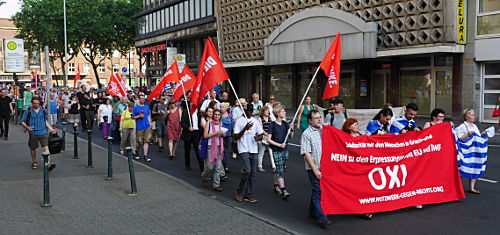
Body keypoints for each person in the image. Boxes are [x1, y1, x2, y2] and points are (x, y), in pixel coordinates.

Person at [300, 109, 332, 227]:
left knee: (317, 191)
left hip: (325, 167)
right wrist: (315, 169)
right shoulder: (307, 134)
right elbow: (306, 153)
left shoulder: (324, 130)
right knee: (318, 191)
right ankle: (322, 217)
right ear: (310, 120)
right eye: (316, 118)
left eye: (320, 117)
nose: (319, 120)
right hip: (314, 168)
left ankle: (312, 211)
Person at [234, 104, 264, 203]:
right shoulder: (239, 121)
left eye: (251, 110)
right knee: (247, 170)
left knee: (253, 173)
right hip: (243, 148)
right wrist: (245, 129)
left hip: (253, 149)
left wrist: (258, 138)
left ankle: (248, 194)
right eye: (248, 110)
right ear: (244, 110)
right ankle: (239, 191)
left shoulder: (255, 121)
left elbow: (261, 134)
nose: (250, 112)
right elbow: (236, 137)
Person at [456, 108, 488, 194]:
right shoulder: (462, 126)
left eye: (474, 114)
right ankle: (457, 187)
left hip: (474, 151)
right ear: (466, 116)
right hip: (465, 151)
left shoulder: (474, 126)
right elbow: (458, 139)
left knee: (474, 167)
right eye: (471, 114)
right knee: (462, 168)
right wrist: (467, 134)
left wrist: (483, 133)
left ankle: (472, 187)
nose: (474, 116)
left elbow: (477, 137)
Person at [20, 97, 57, 170]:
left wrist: (51, 129)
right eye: (34, 103)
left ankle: (48, 164)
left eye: (37, 103)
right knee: (33, 148)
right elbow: (22, 121)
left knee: (45, 147)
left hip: (43, 131)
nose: (36, 105)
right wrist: (27, 127)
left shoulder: (43, 110)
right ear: (31, 103)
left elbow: (45, 121)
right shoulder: (28, 111)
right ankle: (34, 162)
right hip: (33, 132)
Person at [267, 105, 293, 199]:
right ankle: (283, 190)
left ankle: (275, 186)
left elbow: (291, 137)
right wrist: (278, 145)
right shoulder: (272, 125)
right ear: (278, 114)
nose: (285, 112)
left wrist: (291, 129)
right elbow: (268, 139)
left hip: (285, 150)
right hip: (277, 150)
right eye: (283, 111)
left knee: (279, 168)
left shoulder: (285, 124)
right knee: (280, 170)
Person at [201, 109, 226, 192]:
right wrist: (215, 133)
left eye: (218, 114)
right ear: (213, 115)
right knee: (210, 167)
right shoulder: (209, 124)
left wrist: (223, 134)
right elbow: (205, 136)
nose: (217, 116)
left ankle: (216, 185)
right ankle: (204, 177)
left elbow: (222, 135)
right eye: (215, 114)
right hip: (210, 147)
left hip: (219, 147)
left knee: (218, 167)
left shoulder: (220, 124)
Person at [180, 101, 203, 171]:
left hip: (196, 133)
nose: (192, 104)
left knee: (197, 150)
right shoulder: (186, 111)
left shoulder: (198, 112)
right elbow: (182, 123)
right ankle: (187, 165)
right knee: (187, 150)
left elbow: (200, 122)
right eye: (191, 103)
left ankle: (202, 167)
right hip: (188, 133)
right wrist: (188, 127)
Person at [132, 94, 152, 162]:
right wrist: (139, 116)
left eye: (143, 98)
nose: (142, 100)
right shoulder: (136, 108)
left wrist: (150, 124)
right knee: (139, 142)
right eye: (141, 98)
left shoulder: (147, 107)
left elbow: (149, 115)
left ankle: (145, 156)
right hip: (139, 127)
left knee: (146, 141)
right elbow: (132, 117)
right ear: (139, 99)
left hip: (146, 126)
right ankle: (136, 151)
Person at [257, 105, 275, 173]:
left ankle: (274, 166)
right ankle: (260, 166)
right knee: (261, 152)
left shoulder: (270, 118)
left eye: (268, 111)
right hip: (263, 137)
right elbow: (261, 129)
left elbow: (273, 125)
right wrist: (267, 134)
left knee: (271, 152)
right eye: (267, 111)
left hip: (270, 137)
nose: (268, 112)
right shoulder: (260, 118)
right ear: (263, 111)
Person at [220, 103, 234, 173]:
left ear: (226, 108)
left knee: (226, 151)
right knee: (223, 150)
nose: (221, 108)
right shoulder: (218, 116)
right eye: (220, 107)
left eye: (223, 107)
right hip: (220, 135)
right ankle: (225, 166)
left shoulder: (229, 116)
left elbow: (232, 125)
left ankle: (225, 165)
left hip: (228, 135)